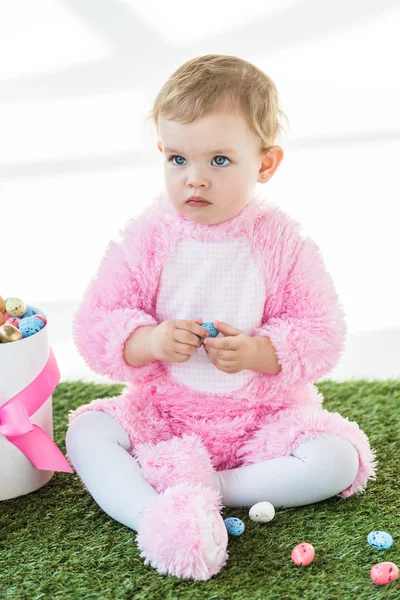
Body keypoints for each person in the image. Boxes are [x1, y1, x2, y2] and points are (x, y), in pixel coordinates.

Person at [65, 54, 376, 581]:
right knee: (87, 432)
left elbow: (322, 333)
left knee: (338, 459)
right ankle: (154, 516)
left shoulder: (283, 243)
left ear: (266, 163)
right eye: (179, 159)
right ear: (162, 153)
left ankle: (208, 491)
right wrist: (149, 341)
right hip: (165, 417)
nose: (195, 180)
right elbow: (97, 324)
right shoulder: (148, 238)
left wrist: (259, 352)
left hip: (262, 423)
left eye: (220, 161)